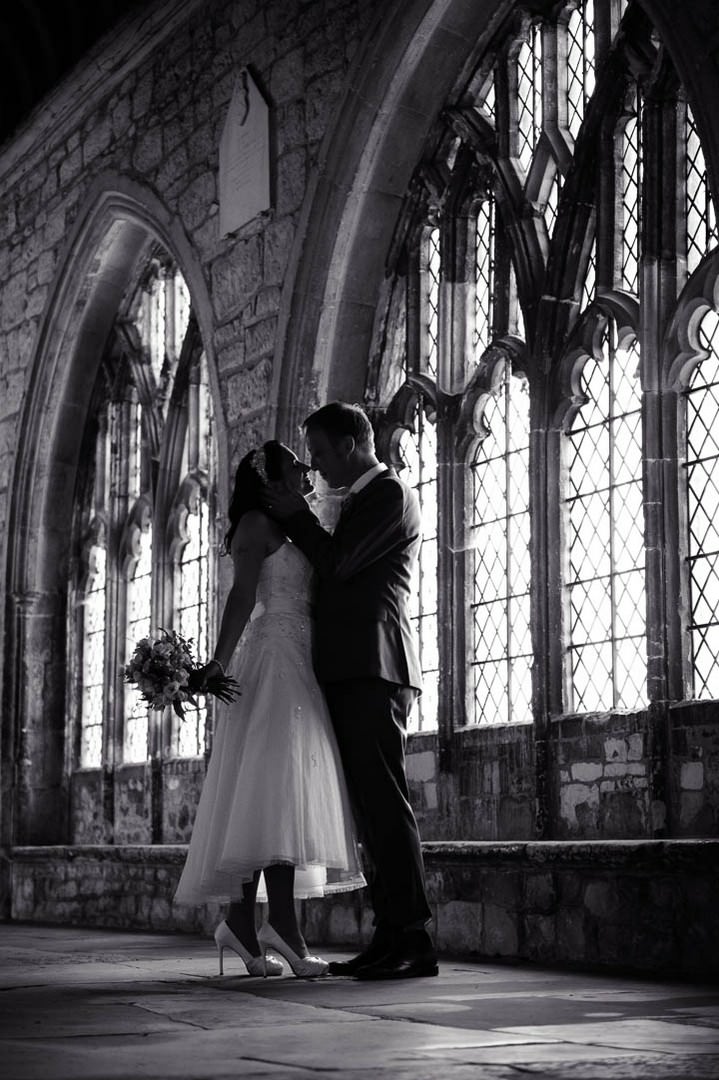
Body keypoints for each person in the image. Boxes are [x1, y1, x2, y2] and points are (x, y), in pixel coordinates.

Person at [174, 440, 365, 979]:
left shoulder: (299, 519)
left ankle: (245, 920)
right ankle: (277, 924)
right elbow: (240, 597)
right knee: (274, 788)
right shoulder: (256, 524)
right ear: (270, 478)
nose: (306, 467)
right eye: (294, 463)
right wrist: (215, 661)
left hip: (303, 656)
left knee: (279, 792)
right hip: (273, 658)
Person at [262, 401, 437, 980]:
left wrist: (294, 516)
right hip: (348, 667)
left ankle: (413, 938)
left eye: (318, 452)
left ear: (350, 444)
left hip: (374, 665)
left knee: (386, 805)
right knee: (367, 810)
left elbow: (337, 565)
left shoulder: (391, 494)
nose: (314, 466)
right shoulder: (359, 500)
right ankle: (389, 937)